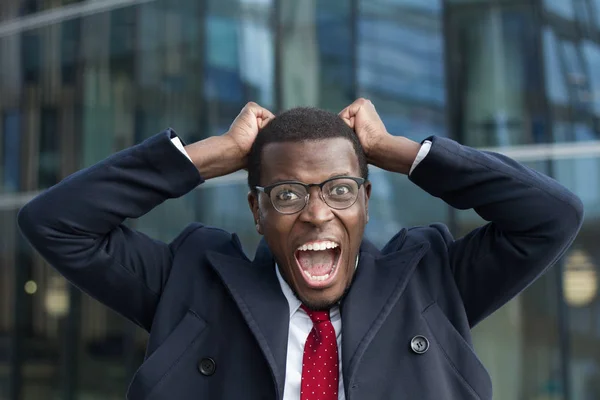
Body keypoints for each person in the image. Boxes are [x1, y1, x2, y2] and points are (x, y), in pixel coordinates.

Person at [17, 98, 583, 400]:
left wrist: (402, 152)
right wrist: (205, 157)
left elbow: (551, 216)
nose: (316, 213)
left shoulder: (431, 282)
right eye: (287, 194)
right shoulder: (190, 286)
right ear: (257, 212)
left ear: (364, 201)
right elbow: (56, 222)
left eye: (340, 190)